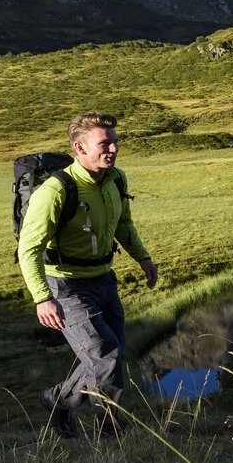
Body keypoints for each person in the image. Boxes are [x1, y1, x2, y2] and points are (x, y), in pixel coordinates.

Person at [20, 112, 159, 438]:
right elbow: (29, 249)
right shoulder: (56, 191)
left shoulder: (116, 179)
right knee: (106, 356)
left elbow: (124, 224)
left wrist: (143, 257)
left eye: (115, 142)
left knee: (109, 355)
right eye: (104, 143)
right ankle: (110, 433)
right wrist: (43, 298)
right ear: (79, 148)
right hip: (66, 286)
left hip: (104, 280)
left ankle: (57, 401)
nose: (113, 149)